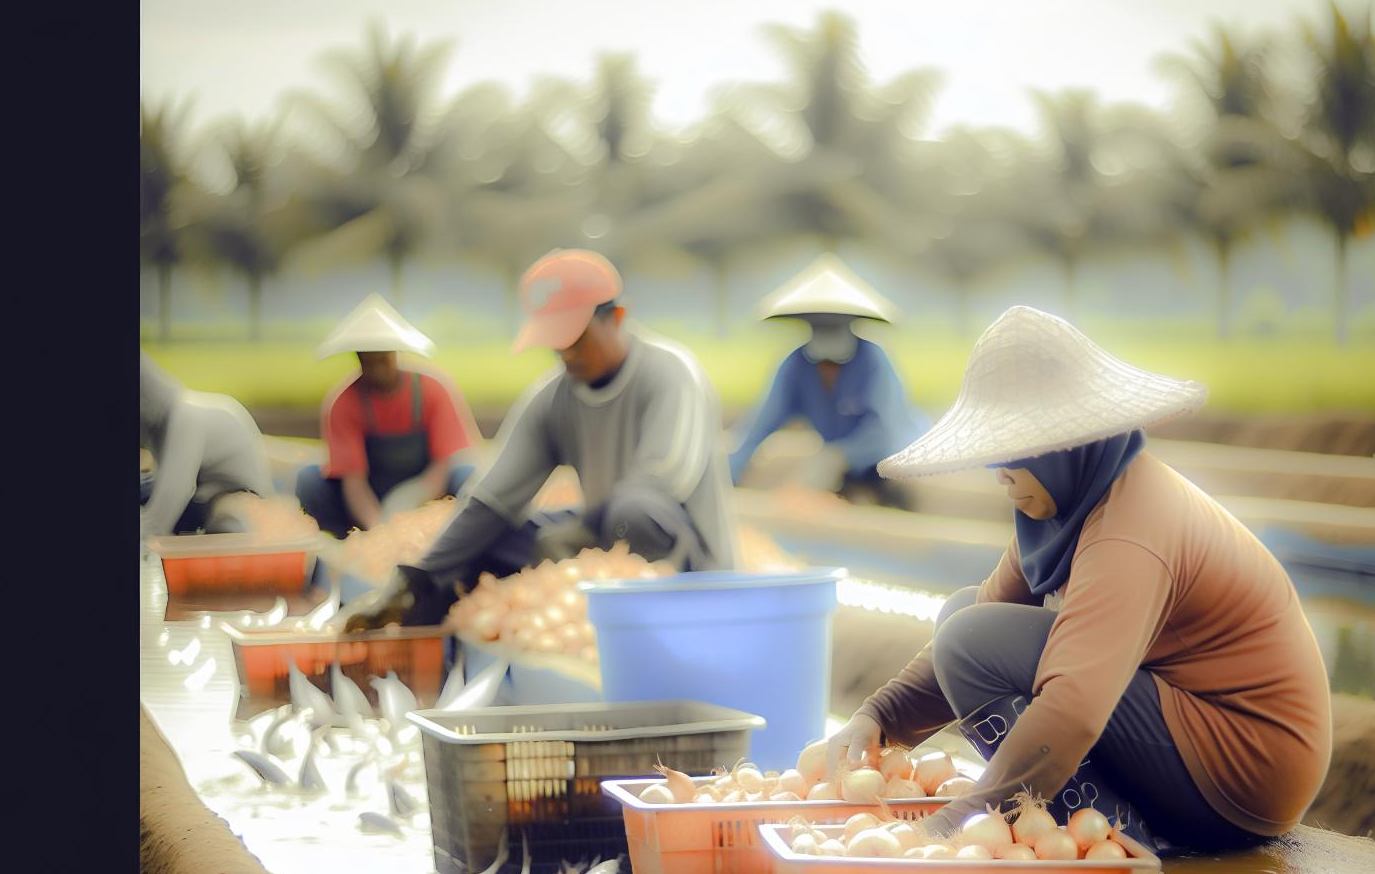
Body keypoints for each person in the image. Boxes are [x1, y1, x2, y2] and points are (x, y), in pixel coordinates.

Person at [826, 306, 1332, 855]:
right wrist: (880, 717)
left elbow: (1073, 704)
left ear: (1061, 446)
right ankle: (1078, 816)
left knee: (971, 642)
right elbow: (983, 616)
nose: (1001, 473)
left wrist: (959, 822)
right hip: (1190, 732)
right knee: (963, 616)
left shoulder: (1128, 528)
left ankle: (1109, 829)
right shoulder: (1070, 506)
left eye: (1012, 452)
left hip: (1243, 770)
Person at [342, 249, 736, 631]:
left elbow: (661, 485)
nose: (565, 353)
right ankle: (426, 622)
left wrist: (581, 533)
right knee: (490, 537)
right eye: (556, 341)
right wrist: (416, 579)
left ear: (616, 317)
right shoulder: (554, 398)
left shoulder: (671, 374)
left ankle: (652, 626)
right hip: (603, 543)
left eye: (576, 339)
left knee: (631, 513)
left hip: (686, 558)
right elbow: (491, 498)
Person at [726, 254, 928, 508]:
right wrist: (728, 477)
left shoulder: (874, 361)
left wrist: (838, 456)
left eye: (836, 365)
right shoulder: (796, 366)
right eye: (822, 364)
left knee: (894, 503)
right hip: (842, 474)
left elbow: (887, 433)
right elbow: (760, 426)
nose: (828, 370)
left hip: (892, 467)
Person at [294, 294, 480, 536]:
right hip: (369, 496)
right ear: (358, 359)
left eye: (383, 360)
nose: (377, 371)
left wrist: (414, 499)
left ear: (395, 353)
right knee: (309, 480)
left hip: (426, 490)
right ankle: (341, 543)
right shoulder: (344, 403)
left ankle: (458, 539)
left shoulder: (432, 389)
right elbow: (354, 481)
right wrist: (379, 530)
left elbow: (444, 463)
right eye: (368, 363)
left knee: (468, 476)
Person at [140, 352, 274, 540]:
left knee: (148, 494)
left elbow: (175, 492)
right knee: (144, 489)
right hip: (205, 492)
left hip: (237, 499)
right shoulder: (159, 430)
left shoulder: (185, 418)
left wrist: (146, 536)